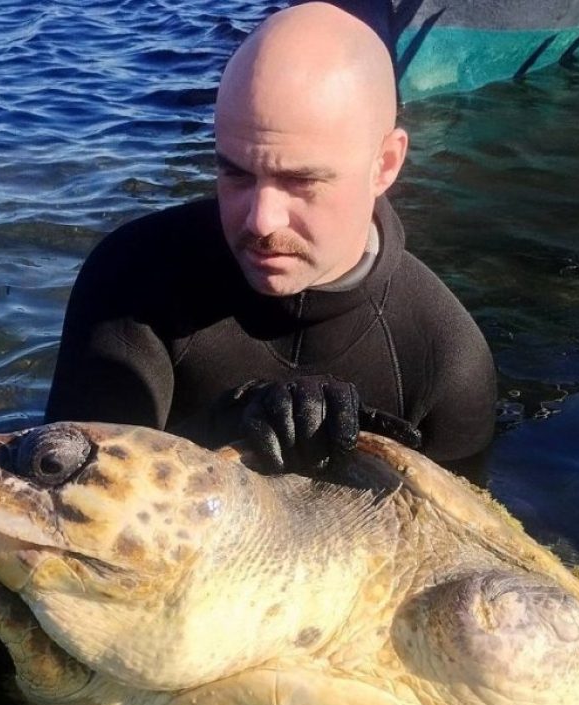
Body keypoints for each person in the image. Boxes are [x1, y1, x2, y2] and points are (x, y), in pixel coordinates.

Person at [44, 2, 496, 474]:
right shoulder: (131, 280)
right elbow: (72, 510)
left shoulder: (446, 360)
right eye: (235, 174)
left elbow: (454, 541)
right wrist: (230, 435)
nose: (261, 221)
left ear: (384, 164)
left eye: (302, 182)